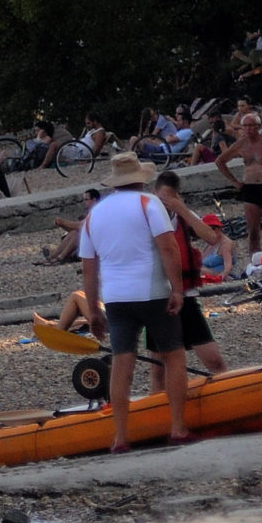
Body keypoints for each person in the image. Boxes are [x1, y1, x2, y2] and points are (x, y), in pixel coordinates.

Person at [77, 153, 192, 452]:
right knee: (173, 355)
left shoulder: (95, 214)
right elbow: (168, 247)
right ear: (141, 179)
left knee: (122, 361)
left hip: (116, 297)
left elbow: (89, 266)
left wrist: (93, 310)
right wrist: (177, 288)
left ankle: (121, 437)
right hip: (152, 290)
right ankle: (178, 427)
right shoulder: (148, 203)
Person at [153, 171, 230, 375]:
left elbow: (212, 238)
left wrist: (182, 209)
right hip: (158, 298)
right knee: (160, 368)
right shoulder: (146, 217)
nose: (165, 204)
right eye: (162, 199)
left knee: (214, 361)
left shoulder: (182, 213)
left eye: (170, 199)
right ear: (154, 194)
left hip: (185, 296)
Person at [215, 108, 262, 256]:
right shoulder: (241, 144)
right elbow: (220, 161)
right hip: (249, 188)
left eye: (251, 125)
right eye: (245, 126)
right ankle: (255, 261)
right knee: (253, 231)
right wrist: (235, 182)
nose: (248, 129)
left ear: (258, 127)